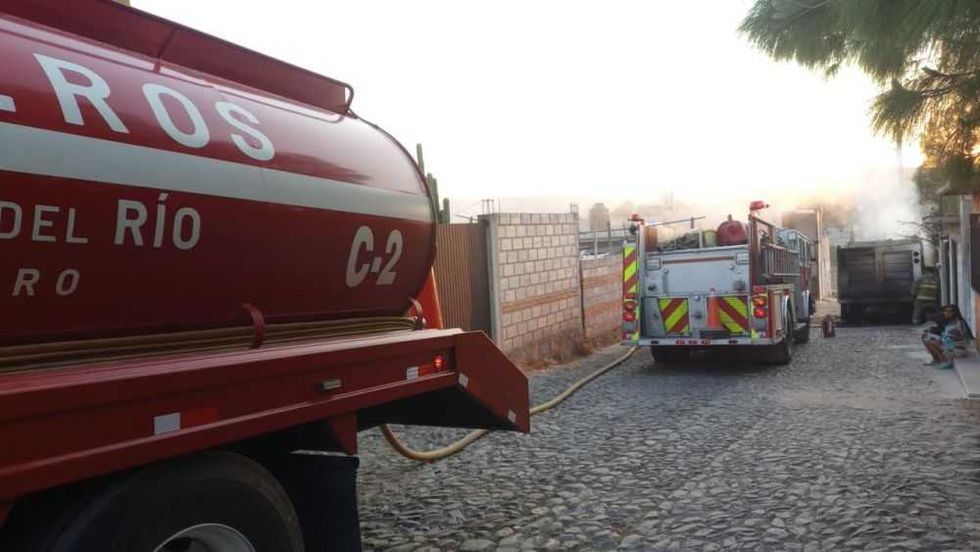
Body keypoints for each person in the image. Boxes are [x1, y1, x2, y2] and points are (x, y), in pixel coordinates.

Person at [921, 304, 972, 369]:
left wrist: (938, 342)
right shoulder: (949, 321)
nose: (947, 313)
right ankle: (937, 360)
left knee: (929, 342)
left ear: (954, 313)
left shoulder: (959, 323)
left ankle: (944, 360)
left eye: (950, 312)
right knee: (926, 337)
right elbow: (946, 335)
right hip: (950, 345)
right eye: (945, 311)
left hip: (957, 349)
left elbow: (955, 339)